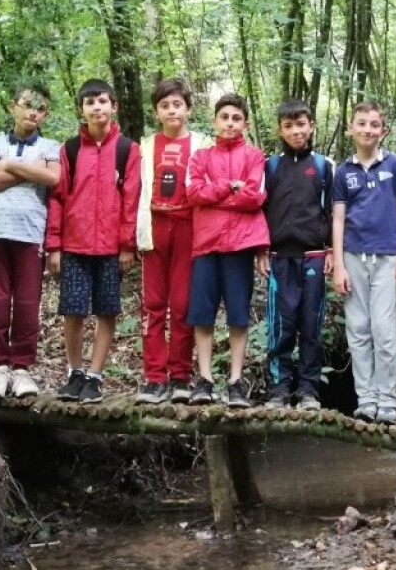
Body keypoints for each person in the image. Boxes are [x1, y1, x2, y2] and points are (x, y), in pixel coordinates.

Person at [46, 79, 141, 405]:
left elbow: (132, 199)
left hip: (112, 248)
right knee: (72, 310)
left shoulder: (127, 150)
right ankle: (74, 371)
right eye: (90, 103)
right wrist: (54, 245)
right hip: (74, 246)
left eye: (103, 101)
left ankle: (96, 375)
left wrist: (128, 245)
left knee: (106, 310)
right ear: (81, 110)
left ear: (114, 107)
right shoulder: (69, 150)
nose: (97, 107)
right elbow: (57, 198)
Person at [0, 82, 61, 399]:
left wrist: (9, 164)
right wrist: (27, 168)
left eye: (39, 108)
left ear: (45, 114)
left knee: (28, 299)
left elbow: (54, 178)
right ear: (13, 106)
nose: (32, 112)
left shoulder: (51, 147)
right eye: (27, 105)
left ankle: (22, 367)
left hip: (31, 230)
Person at [332, 101, 396, 424]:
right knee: (358, 329)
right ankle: (365, 400)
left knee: (384, 329)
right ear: (351, 128)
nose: (368, 129)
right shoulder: (343, 172)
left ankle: (388, 401)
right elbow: (338, 220)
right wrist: (338, 264)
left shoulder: (395, 166)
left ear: (383, 129)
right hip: (353, 256)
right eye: (361, 123)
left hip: (387, 256)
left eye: (374, 124)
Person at [186, 93, 269, 408]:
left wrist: (217, 192)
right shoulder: (201, 157)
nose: (230, 123)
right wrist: (229, 186)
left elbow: (254, 196)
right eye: (225, 117)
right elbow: (194, 191)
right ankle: (204, 380)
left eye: (236, 118)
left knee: (238, 316)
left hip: (239, 246)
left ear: (245, 124)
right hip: (206, 244)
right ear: (215, 121)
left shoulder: (254, 156)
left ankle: (236, 381)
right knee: (203, 315)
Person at [135, 77, 212, 405]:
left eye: (177, 104)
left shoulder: (203, 144)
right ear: (156, 112)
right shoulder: (145, 147)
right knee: (153, 305)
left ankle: (180, 375)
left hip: (189, 230)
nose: (171, 110)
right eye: (165, 105)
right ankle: (155, 377)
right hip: (154, 228)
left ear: (189, 108)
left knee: (182, 305)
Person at [260, 100, 334, 411]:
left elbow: (332, 210)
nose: (295, 131)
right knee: (281, 324)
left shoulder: (324, 166)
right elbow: (260, 211)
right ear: (280, 129)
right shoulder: (270, 166)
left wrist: (331, 250)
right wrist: (261, 249)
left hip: (315, 255)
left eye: (301, 124)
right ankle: (278, 390)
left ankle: (308, 391)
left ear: (311, 125)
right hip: (279, 257)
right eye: (289, 126)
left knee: (311, 324)